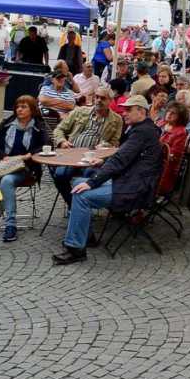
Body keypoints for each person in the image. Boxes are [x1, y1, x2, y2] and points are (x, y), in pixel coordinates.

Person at [52, 94, 163, 265]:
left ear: (141, 111)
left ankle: (76, 249)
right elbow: (124, 157)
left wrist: (91, 182)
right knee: (76, 183)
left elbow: (120, 161)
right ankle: (86, 236)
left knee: (81, 194)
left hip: (134, 188)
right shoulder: (143, 129)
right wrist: (102, 162)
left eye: (128, 110)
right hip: (131, 181)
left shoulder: (141, 132)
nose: (124, 113)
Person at [0, 95, 48, 242]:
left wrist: (28, 155)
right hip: (3, 163)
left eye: (24, 107)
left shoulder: (38, 126)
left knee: (6, 181)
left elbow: (47, 146)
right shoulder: (8, 123)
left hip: (25, 168)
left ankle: (11, 225)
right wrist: (4, 157)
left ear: (32, 110)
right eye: (18, 106)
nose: (19, 109)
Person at [50, 85, 123, 207]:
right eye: (97, 97)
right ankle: (72, 205)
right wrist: (62, 141)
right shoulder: (80, 111)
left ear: (110, 101)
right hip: (72, 155)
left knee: (91, 175)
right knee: (60, 175)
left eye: (103, 98)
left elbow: (115, 144)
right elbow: (59, 129)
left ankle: (82, 204)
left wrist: (105, 146)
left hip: (93, 159)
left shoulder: (117, 119)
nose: (99, 100)